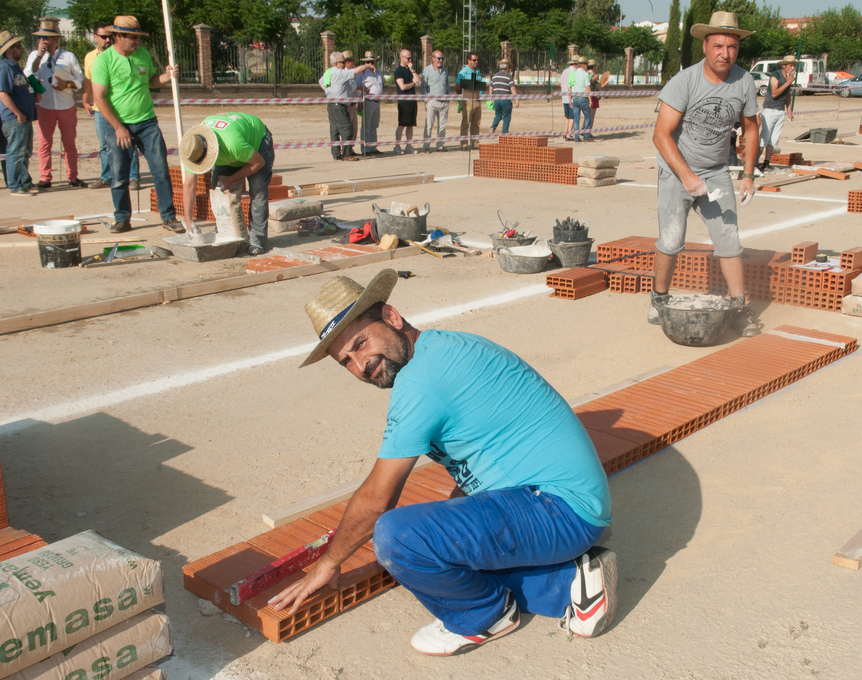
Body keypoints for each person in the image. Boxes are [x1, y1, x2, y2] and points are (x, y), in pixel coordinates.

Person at [269, 269, 617, 656]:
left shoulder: (421, 382)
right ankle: (572, 584)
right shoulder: (438, 349)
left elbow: (377, 501)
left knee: (398, 538)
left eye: (361, 343)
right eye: (346, 361)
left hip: (558, 509)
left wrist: (328, 563)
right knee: (444, 550)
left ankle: (484, 616)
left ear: (392, 317)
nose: (360, 365)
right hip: (560, 503)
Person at [649, 11, 762, 337]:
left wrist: (749, 174)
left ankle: (739, 306)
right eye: (718, 46)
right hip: (676, 171)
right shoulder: (684, 82)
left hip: (715, 172)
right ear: (705, 46)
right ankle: (659, 298)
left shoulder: (744, 82)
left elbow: (751, 129)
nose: (724, 53)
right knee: (671, 240)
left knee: (729, 240)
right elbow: (661, 135)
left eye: (731, 47)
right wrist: (685, 176)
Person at [91, 15, 182, 234]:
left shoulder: (142, 55)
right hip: (118, 125)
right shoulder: (103, 61)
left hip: (147, 123)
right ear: (118, 36)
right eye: (133, 38)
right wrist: (118, 127)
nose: (137, 42)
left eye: (139, 37)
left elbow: (151, 81)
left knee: (161, 171)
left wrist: (167, 77)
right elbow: (99, 98)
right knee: (120, 175)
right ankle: (122, 219)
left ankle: (169, 217)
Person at [179, 113, 275, 255]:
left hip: (257, 142)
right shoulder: (192, 149)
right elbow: (189, 185)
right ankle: (225, 234)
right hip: (232, 150)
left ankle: (257, 241)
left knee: (258, 191)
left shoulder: (232, 144)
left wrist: (232, 178)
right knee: (219, 192)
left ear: (211, 151)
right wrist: (188, 221)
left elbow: (258, 163)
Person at [24, 16, 86, 189]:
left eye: (46, 37)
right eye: (40, 37)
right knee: (44, 143)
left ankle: (72, 176)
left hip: (66, 105)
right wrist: (38, 55)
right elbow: (29, 73)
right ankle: (45, 177)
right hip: (45, 106)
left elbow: (80, 78)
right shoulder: (34, 56)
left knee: (69, 143)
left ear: (56, 39)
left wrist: (68, 84)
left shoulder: (69, 56)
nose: (42, 40)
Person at [83, 22, 140, 191]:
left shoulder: (124, 55)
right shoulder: (90, 57)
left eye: (109, 36)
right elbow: (88, 80)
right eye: (103, 37)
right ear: (95, 38)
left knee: (129, 142)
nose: (107, 40)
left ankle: (133, 177)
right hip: (101, 110)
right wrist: (85, 99)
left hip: (121, 110)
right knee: (104, 145)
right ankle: (107, 176)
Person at [0, 30, 39, 196]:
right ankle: (16, 185)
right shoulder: (4, 68)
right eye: (18, 46)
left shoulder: (15, 67)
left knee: (24, 152)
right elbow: (3, 93)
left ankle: (24, 181)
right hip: (15, 118)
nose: (22, 49)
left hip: (23, 116)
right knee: (15, 152)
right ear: (9, 50)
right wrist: (18, 113)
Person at [319, 51, 370, 162]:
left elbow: (321, 82)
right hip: (339, 105)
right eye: (343, 62)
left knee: (335, 130)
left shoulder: (329, 72)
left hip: (332, 104)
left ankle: (336, 153)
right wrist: (367, 65)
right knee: (347, 128)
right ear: (337, 63)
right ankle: (347, 154)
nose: (344, 64)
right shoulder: (339, 73)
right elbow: (356, 71)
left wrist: (329, 92)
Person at [757, 54, 796, 170]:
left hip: (780, 111)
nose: (793, 68)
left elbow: (787, 95)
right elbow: (774, 93)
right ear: (784, 66)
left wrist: (789, 111)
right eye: (791, 65)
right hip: (770, 110)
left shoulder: (788, 78)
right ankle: (754, 163)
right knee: (764, 137)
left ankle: (766, 163)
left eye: (794, 65)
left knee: (774, 139)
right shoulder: (776, 75)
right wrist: (788, 83)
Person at [420, 50, 449, 152]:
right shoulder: (426, 70)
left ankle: (440, 145)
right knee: (429, 124)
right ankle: (426, 146)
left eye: (442, 58)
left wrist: (448, 98)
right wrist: (426, 101)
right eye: (438, 58)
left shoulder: (445, 70)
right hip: (432, 101)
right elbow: (423, 87)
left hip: (444, 102)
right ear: (433, 58)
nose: (440, 61)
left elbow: (447, 85)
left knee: (442, 126)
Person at [355, 51, 383, 155]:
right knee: (366, 126)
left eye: (372, 61)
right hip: (367, 100)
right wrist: (360, 102)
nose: (371, 64)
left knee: (374, 126)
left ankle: (373, 147)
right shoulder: (362, 73)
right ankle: (365, 149)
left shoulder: (379, 72)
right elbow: (358, 87)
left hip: (377, 101)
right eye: (368, 62)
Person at [394, 49, 420, 155]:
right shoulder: (398, 71)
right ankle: (397, 146)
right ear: (401, 58)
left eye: (410, 58)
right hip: (404, 101)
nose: (410, 60)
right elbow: (402, 87)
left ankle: (409, 146)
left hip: (412, 100)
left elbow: (419, 81)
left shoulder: (410, 70)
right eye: (407, 58)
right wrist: (413, 83)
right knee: (402, 124)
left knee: (410, 125)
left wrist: (412, 70)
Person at [457, 52, 485, 150]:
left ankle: (475, 143)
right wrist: (461, 98)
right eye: (474, 60)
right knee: (466, 122)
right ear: (468, 60)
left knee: (476, 123)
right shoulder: (463, 72)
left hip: (477, 99)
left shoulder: (478, 71)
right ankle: (464, 144)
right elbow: (457, 85)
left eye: (477, 60)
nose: (476, 62)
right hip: (467, 100)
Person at [488, 59, 517, 134]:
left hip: (497, 100)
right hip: (505, 100)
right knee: (506, 117)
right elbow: (512, 88)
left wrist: (491, 97)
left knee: (498, 115)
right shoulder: (508, 77)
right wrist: (516, 99)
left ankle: (492, 127)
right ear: (507, 68)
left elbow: (490, 87)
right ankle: (504, 133)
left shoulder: (494, 76)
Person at [568, 56, 591, 142]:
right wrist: (591, 100)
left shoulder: (572, 74)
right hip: (583, 98)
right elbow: (587, 88)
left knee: (576, 118)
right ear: (584, 65)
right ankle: (586, 135)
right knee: (588, 117)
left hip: (575, 98)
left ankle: (576, 137)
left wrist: (570, 99)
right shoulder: (585, 74)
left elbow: (569, 88)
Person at [559, 57, 577, 141]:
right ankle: (569, 134)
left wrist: (564, 89)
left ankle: (565, 132)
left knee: (566, 116)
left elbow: (560, 82)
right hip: (571, 97)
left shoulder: (564, 71)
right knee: (572, 117)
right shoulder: (574, 72)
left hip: (564, 96)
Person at [586, 59, 601, 136]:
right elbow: (598, 87)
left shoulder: (585, 74)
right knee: (591, 116)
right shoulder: (595, 76)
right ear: (594, 66)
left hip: (585, 95)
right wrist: (604, 84)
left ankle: (583, 130)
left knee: (587, 115)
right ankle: (588, 132)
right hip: (593, 95)